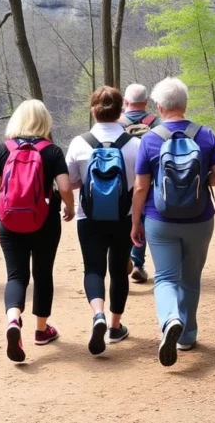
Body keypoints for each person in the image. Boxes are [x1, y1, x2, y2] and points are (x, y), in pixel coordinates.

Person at [131, 77, 215, 367]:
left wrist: (135, 221)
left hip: (159, 220)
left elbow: (140, 187)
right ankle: (187, 335)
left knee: (165, 278)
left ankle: (170, 319)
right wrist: (197, 187)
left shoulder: (149, 139)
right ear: (184, 105)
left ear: (159, 107)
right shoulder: (205, 134)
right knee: (190, 278)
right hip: (199, 219)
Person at [0, 99, 74, 363]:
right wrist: (69, 207)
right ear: (45, 120)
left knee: (16, 276)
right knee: (43, 273)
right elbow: (66, 188)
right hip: (45, 221)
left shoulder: (4, 149)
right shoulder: (53, 151)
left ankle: (13, 320)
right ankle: (41, 330)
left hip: (10, 222)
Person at [66, 87, 140, 356]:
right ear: (121, 111)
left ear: (93, 110)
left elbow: (71, 181)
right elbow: (142, 184)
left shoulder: (79, 143)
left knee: (93, 269)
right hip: (124, 216)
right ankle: (114, 326)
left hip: (89, 217)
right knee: (119, 270)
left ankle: (97, 314)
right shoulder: (135, 144)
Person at [120, 83, 161, 284]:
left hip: (119, 180)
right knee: (141, 220)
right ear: (146, 103)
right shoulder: (156, 123)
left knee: (122, 218)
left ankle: (123, 256)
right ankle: (137, 263)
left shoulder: (116, 123)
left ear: (125, 102)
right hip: (148, 181)